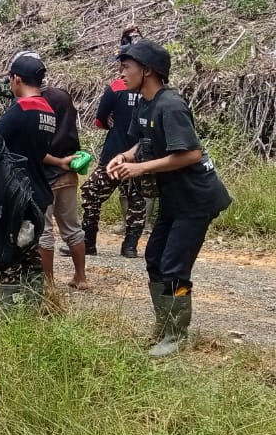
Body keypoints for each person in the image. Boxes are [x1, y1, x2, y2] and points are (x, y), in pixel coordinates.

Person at [107, 40, 231, 357]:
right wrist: (125, 157)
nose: (121, 72)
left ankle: (177, 335)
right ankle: (164, 326)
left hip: (196, 199)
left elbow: (191, 153)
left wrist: (141, 168)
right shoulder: (144, 103)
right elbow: (143, 143)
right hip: (173, 198)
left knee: (174, 267)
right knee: (154, 259)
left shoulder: (171, 105)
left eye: (127, 66)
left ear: (147, 70)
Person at [82, 28, 148, 258]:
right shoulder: (151, 93)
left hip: (114, 154)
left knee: (91, 193)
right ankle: (129, 246)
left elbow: (100, 120)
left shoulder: (115, 88)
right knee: (136, 201)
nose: (122, 70)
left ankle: (88, 242)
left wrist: (112, 124)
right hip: (140, 156)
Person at [0, 53, 57, 287]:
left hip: (18, 194)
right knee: (30, 253)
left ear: (16, 79)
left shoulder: (21, 108)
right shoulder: (48, 111)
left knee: (11, 255)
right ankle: (35, 297)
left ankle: (14, 300)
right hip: (39, 191)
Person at [40, 81, 91, 290]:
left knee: (44, 231)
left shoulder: (34, 101)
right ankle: (81, 277)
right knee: (72, 228)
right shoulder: (63, 96)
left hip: (45, 173)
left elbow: (34, 145)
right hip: (69, 168)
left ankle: (48, 283)